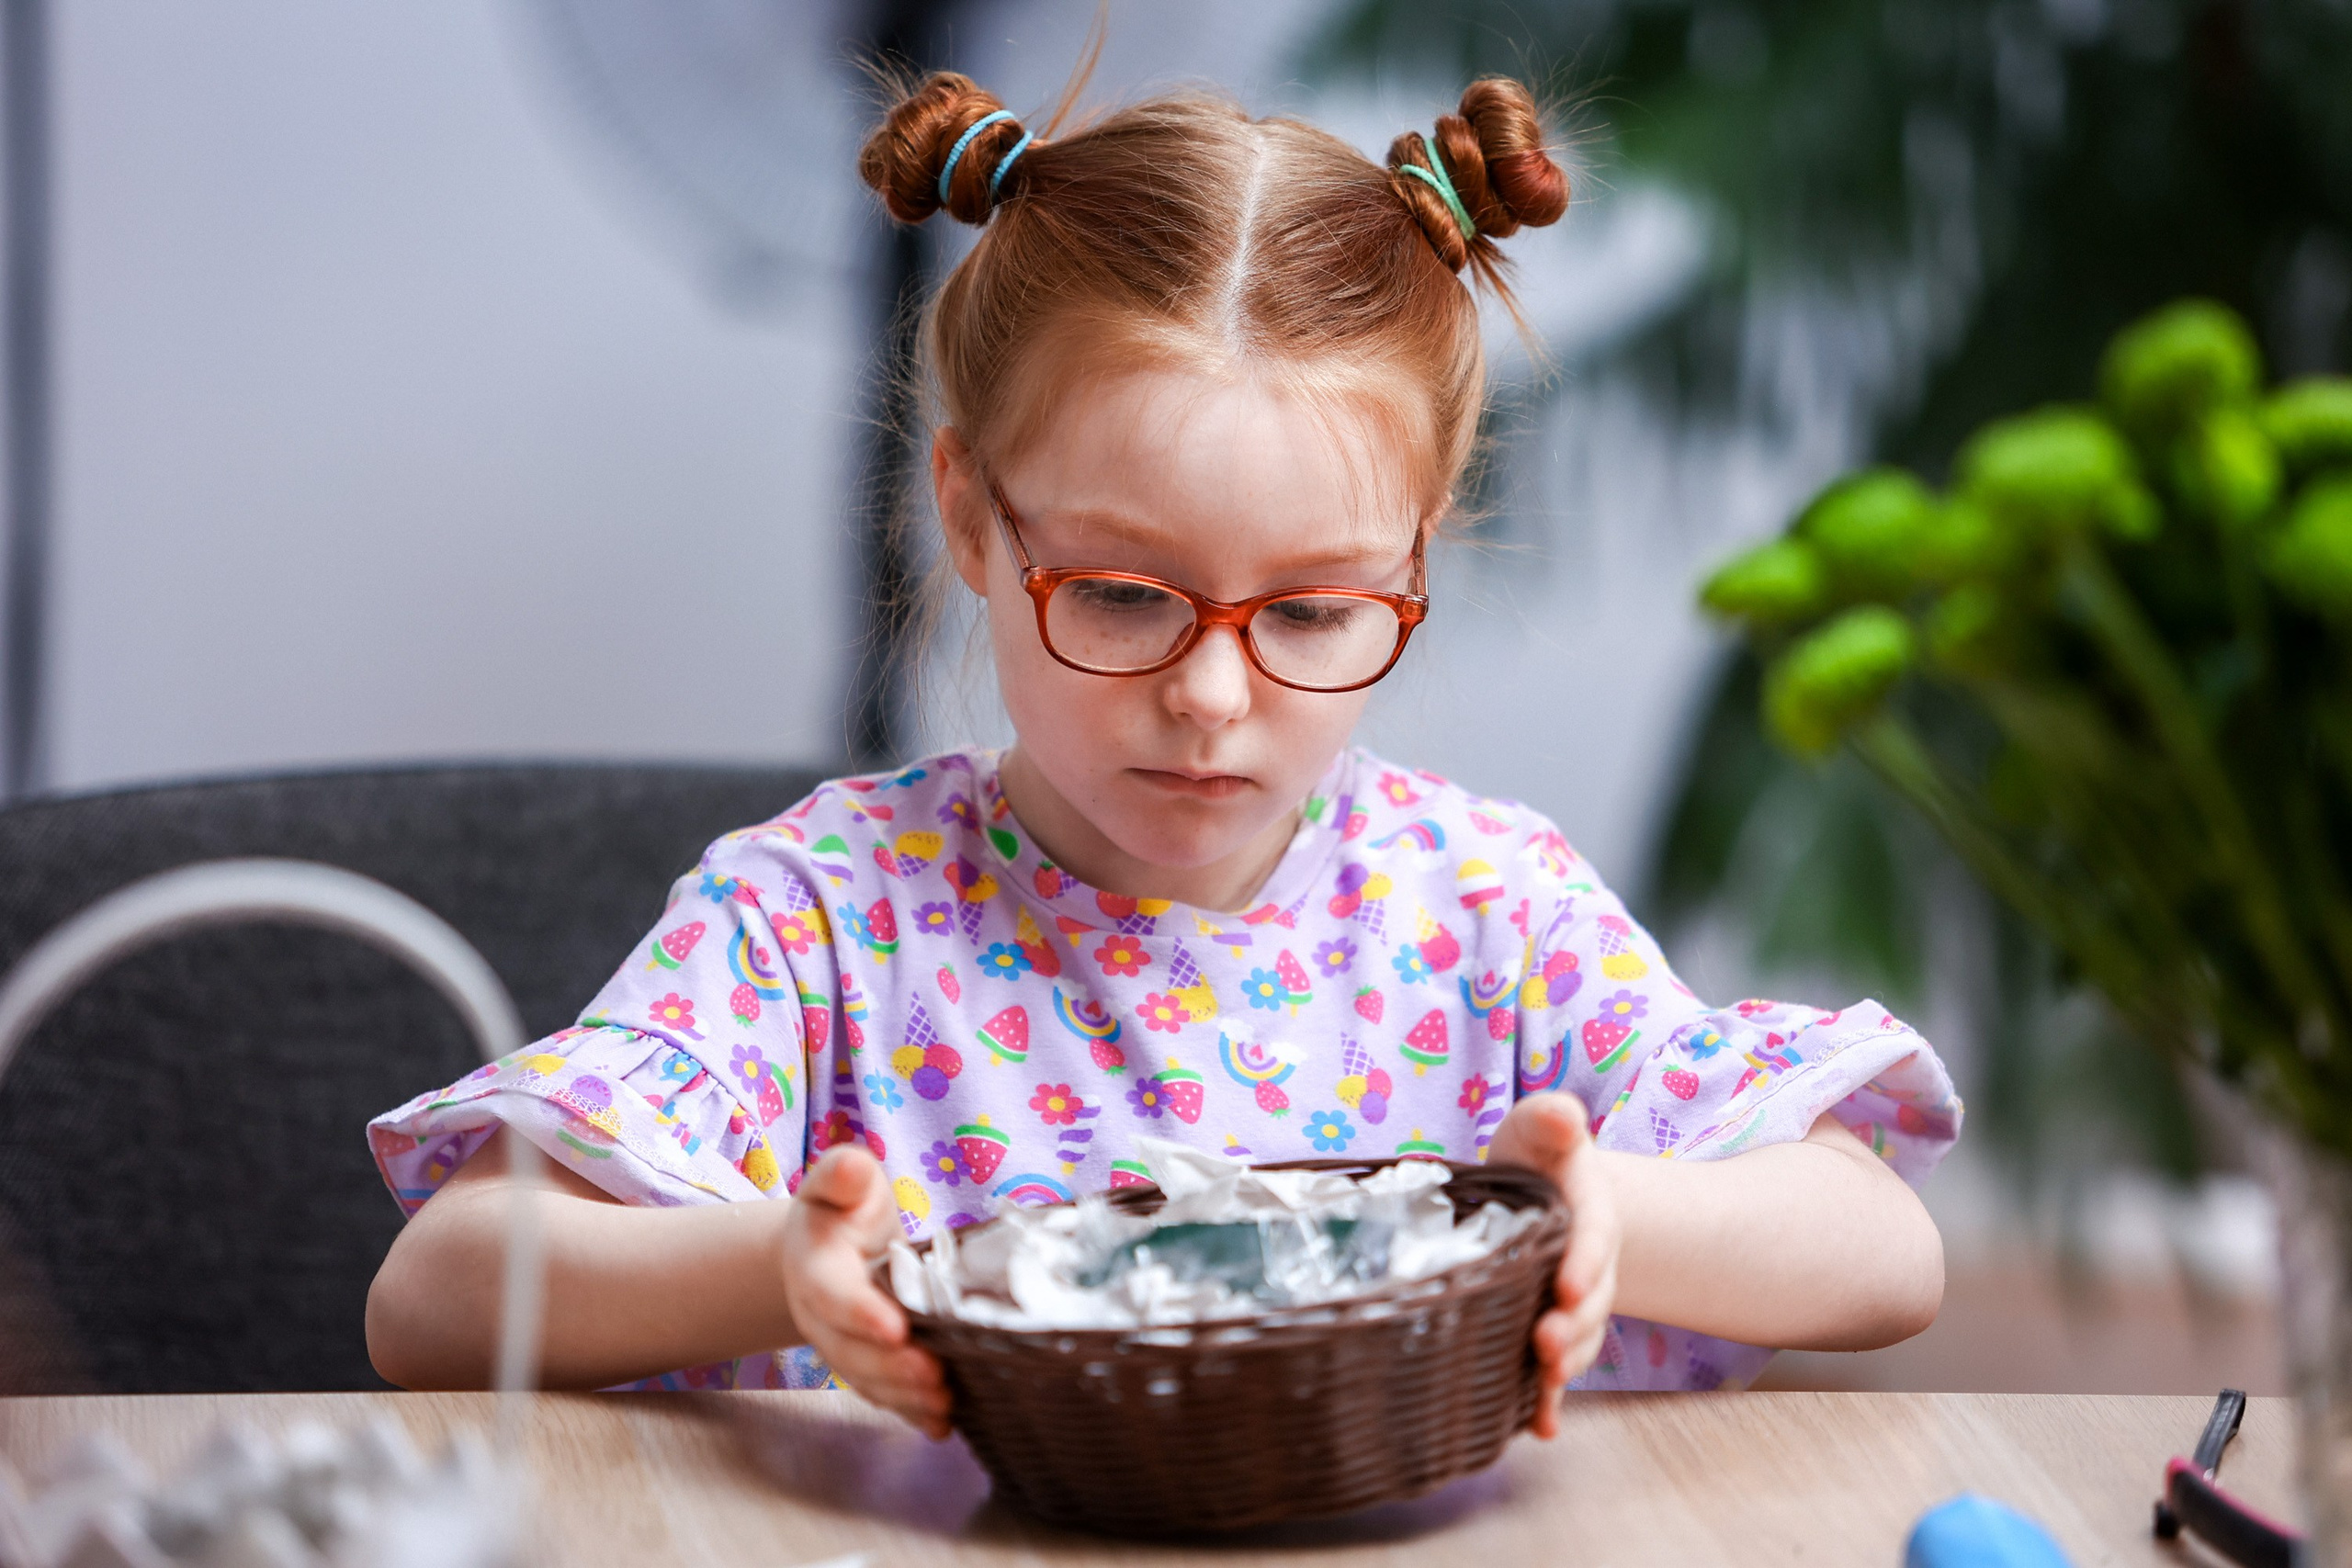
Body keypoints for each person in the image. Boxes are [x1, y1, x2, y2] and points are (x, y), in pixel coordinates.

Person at [364, 69, 1958, 1434]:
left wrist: (1596, 1211)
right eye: (1125, 595)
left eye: (1314, 612)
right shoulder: (822, 920)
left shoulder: (1489, 910)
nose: (1209, 695)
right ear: (972, 517)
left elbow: (1883, 1254)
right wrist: (776, 1263)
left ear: (1415, 562)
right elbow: (432, 1298)